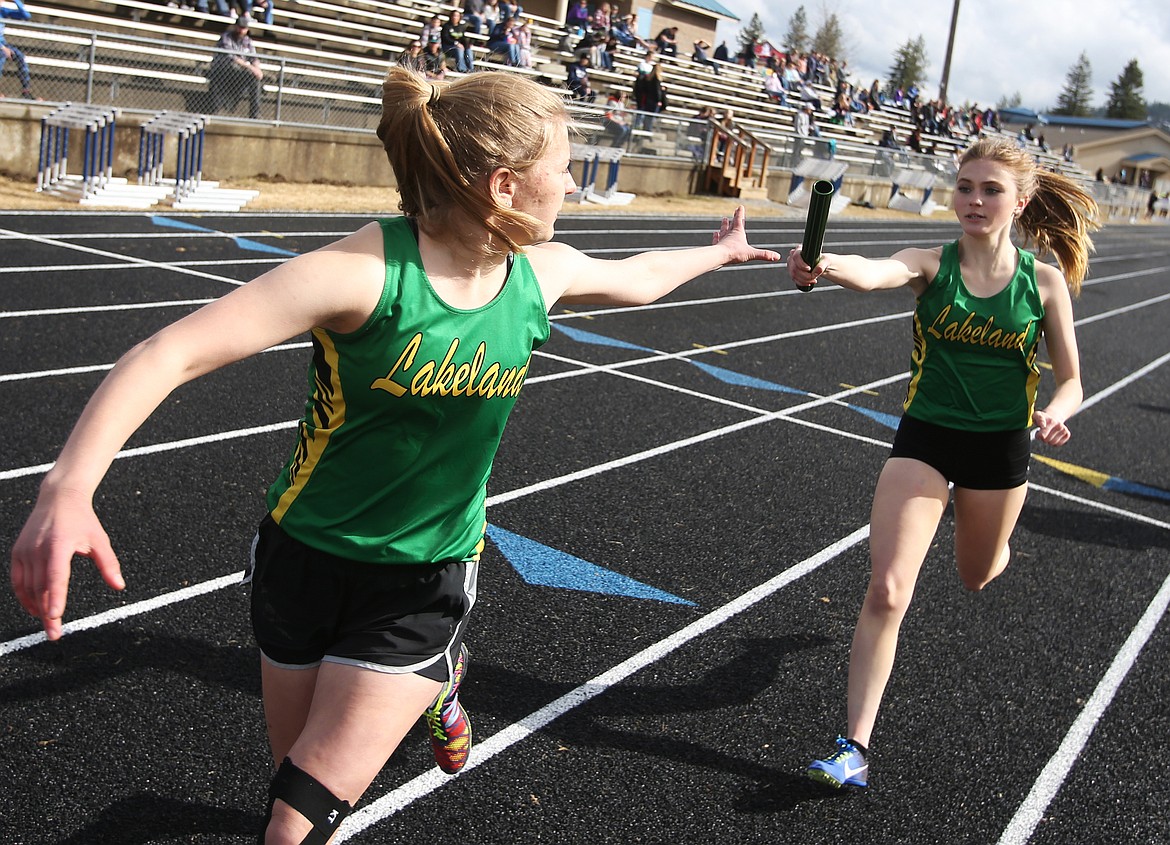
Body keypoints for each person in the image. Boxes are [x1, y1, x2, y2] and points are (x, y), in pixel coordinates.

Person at [9, 66, 781, 843]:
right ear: (506, 185)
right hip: (301, 559)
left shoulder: (542, 275)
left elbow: (639, 280)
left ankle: (431, 668)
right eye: (566, 166)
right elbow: (165, 353)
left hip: (423, 580)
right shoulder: (363, 275)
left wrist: (719, 255)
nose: (575, 186)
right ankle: (440, 685)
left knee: (291, 825)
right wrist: (67, 489)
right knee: (294, 781)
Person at [786, 136, 1099, 791]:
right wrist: (827, 263)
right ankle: (854, 747)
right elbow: (878, 272)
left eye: (990, 190)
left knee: (977, 572)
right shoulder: (930, 262)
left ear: (1022, 199)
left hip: (1001, 449)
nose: (975, 200)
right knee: (888, 588)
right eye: (965, 187)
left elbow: (1071, 378)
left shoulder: (1042, 283)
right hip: (926, 438)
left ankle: (996, 542)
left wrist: (1058, 410)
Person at [208, 14, 263, 119]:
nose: (242, 30)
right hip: (223, 70)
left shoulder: (248, 41)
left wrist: (257, 69)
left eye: (244, 28)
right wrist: (251, 68)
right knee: (235, 67)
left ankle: (255, 113)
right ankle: (215, 109)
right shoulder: (226, 37)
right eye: (240, 27)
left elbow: (254, 58)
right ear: (235, 26)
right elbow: (232, 57)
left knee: (255, 79)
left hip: (240, 71)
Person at [0, 0, 36, 100]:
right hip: (2, 47)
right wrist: (2, 48)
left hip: (3, 44)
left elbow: (26, 15)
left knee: (20, 57)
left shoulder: (3, 11)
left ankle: (26, 90)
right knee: (2, 54)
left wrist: (16, 1)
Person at [440, 9, 474, 74]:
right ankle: (462, 69)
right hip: (448, 47)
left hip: (458, 46)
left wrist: (468, 44)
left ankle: (471, 69)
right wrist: (456, 43)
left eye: (457, 16)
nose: (455, 17)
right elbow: (445, 38)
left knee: (468, 50)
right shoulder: (446, 26)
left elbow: (463, 38)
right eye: (454, 16)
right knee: (459, 49)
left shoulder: (461, 27)